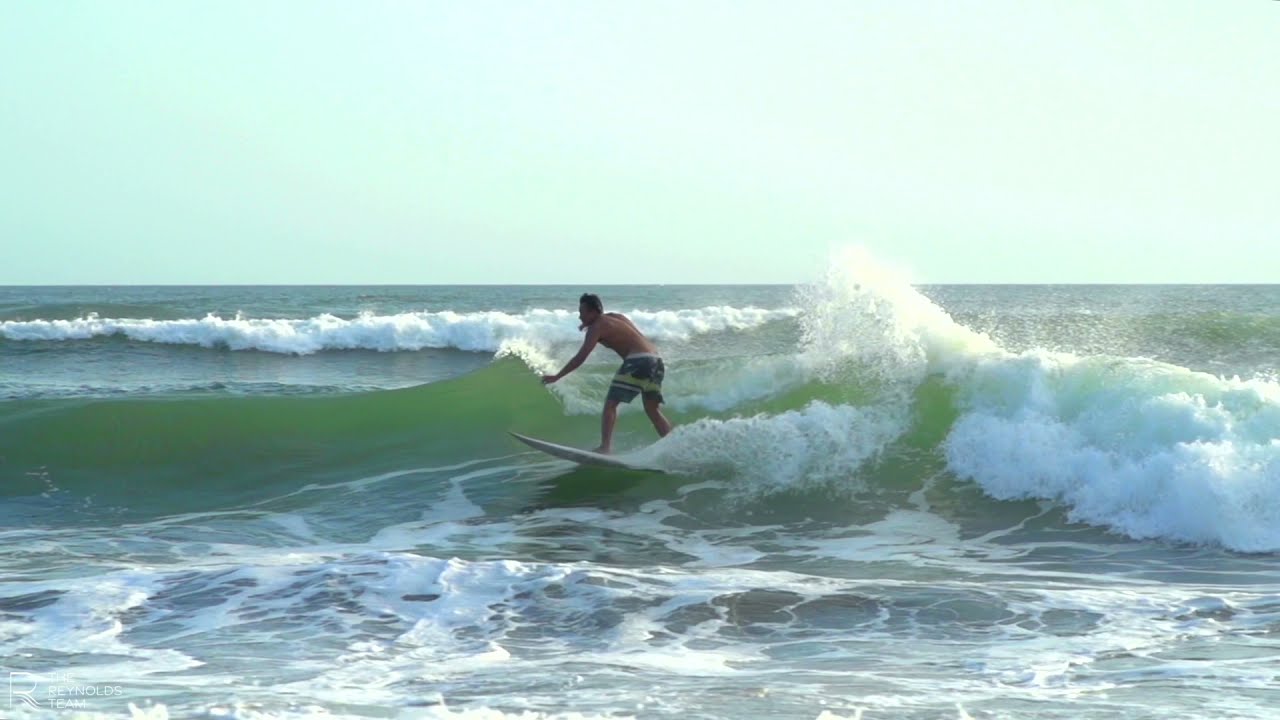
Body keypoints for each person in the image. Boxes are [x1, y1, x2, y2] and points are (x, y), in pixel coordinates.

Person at [542, 293, 673, 453]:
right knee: (652, 410)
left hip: (638, 361)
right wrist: (587, 325)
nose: (579, 316)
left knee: (610, 405)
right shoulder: (617, 318)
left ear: (593, 312)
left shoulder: (597, 327)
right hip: (656, 361)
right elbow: (630, 336)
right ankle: (673, 445)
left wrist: (557, 376)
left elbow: (580, 357)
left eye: (582, 312)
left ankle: (605, 448)